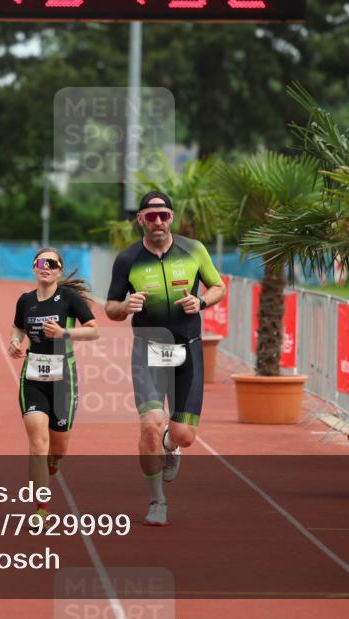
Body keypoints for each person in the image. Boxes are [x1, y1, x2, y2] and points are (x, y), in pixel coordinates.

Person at [105, 192, 226, 526]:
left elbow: (218, 287)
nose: (157, 222)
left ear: (171, 217)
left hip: (188, 349)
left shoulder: (194, 250)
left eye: (163, 216)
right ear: (140, 220)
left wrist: (201, 303)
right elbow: (110, 307)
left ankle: (171, 445)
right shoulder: (127, 259)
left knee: (185, 434)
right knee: (149, 425)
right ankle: (157, 500)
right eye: (150, 216)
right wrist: (125, 308)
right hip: (148, 351)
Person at [8, 248, 99, 520]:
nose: (45, 266)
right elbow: (17, 327)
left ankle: (53, 462)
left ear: (59, 270)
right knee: (38, 444)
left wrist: (64, 332)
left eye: (52, 263)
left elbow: (94, 329)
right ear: (34, 268)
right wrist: (15, 342)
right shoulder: (25, 300)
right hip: (33, 377)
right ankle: (41, 511)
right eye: (40, 262)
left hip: (63, 378)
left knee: (57, 450)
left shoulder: (68, 298)